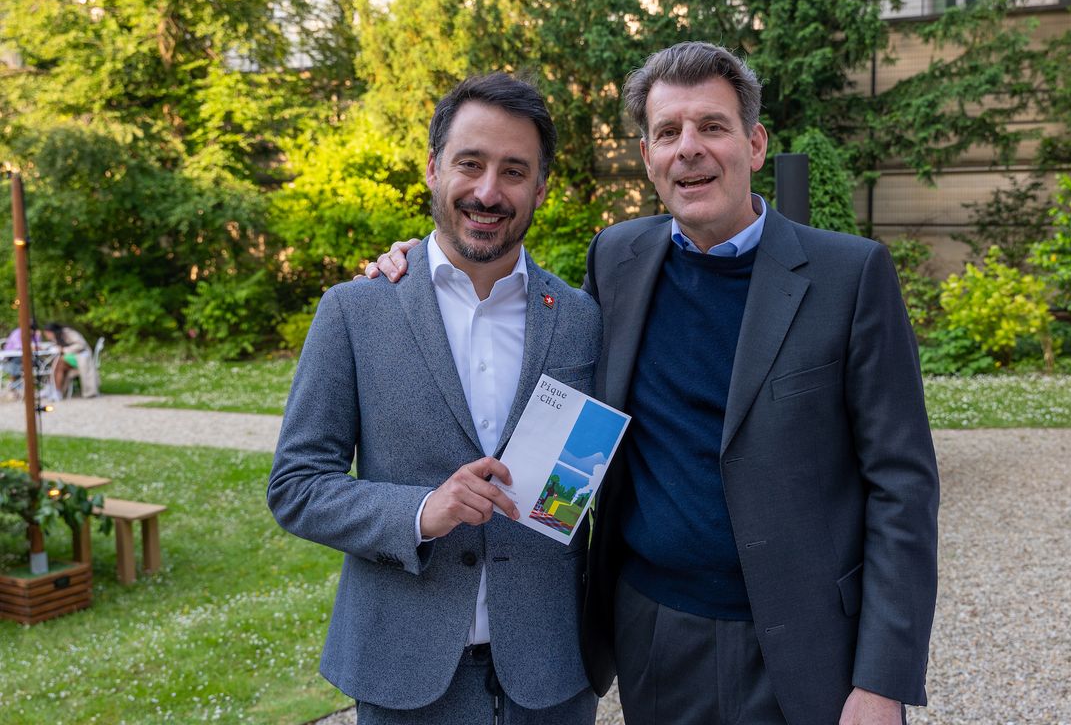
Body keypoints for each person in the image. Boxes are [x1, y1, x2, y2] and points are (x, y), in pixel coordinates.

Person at [365, 42, 940, 725]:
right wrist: (420, 267)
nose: (688, 148)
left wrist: (882, 681)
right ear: (647, 159)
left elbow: (903, 487)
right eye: (668, 132)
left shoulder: (849, 276)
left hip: (807, 643)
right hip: (655, 636)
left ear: (754, 145)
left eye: (712, 127)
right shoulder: (618, 257)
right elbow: (564, 406)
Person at [267, 73, 601, 725]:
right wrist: (423, 511)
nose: (487, 191)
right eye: (469, 164)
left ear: (541, 187)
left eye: (513, 171)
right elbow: (297, 487)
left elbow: (588, 479)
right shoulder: (356, 311)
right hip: (406, 675)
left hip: (552, 676)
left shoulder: (584, 319)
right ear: (432, 168)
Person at [45, 322, 90, 399]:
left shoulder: (68, 333)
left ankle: (56, 391)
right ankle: (53, 390)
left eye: (47, 333)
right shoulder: (56, 337)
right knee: (56, 363)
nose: (46, 336)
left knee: (58, 362)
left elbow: (81, 345)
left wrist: (64, 350)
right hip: (68, 358)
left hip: (80, 357)